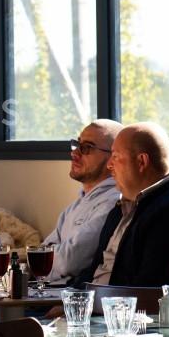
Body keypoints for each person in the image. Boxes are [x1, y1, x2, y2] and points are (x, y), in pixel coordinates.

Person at [77, 122, 169, 286]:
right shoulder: (121, 206)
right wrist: (71, 297)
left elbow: (146, 288)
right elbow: (94, 269)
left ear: (141, 161)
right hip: (90, 303)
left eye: (116, 157)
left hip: (116, 308)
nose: (109, 164)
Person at [45, 120, 122, 283]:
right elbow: (39, 256)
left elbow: (70, 262)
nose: (75, 153)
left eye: (87, 147)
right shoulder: (72, 208)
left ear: (112, 159)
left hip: (75, 299)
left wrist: (53, 262)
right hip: (50, 293)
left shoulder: (113, 202)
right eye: (76, 144)